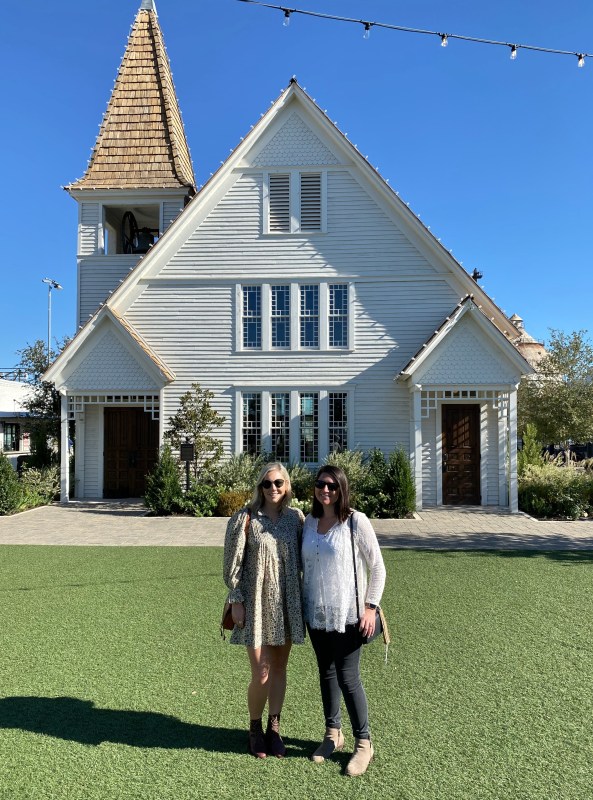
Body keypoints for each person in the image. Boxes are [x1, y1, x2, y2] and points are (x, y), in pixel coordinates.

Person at [302, 464, 386, 777]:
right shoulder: (309, 522)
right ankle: (332, 734)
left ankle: (363, 743)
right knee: (326, 673)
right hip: (317, 614)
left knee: (348, 678)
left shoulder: (355, 521)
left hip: (349, 615)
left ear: (342, 490)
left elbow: (378, 568)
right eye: (321, 484)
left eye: (333, 486)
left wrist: (370, 607)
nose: (326, 490)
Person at [223, 462, 305, 759]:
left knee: (280, 669)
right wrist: (236, 599)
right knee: (261, 672)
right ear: (260, 487)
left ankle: (274, 728)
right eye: (267, 484)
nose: (273, 488)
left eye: (279, 483)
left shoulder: (296, 519)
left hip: (287, 602)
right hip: (255, 603)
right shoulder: (244, 519)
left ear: (287, 486)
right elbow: (232, 564)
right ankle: (254, 728)